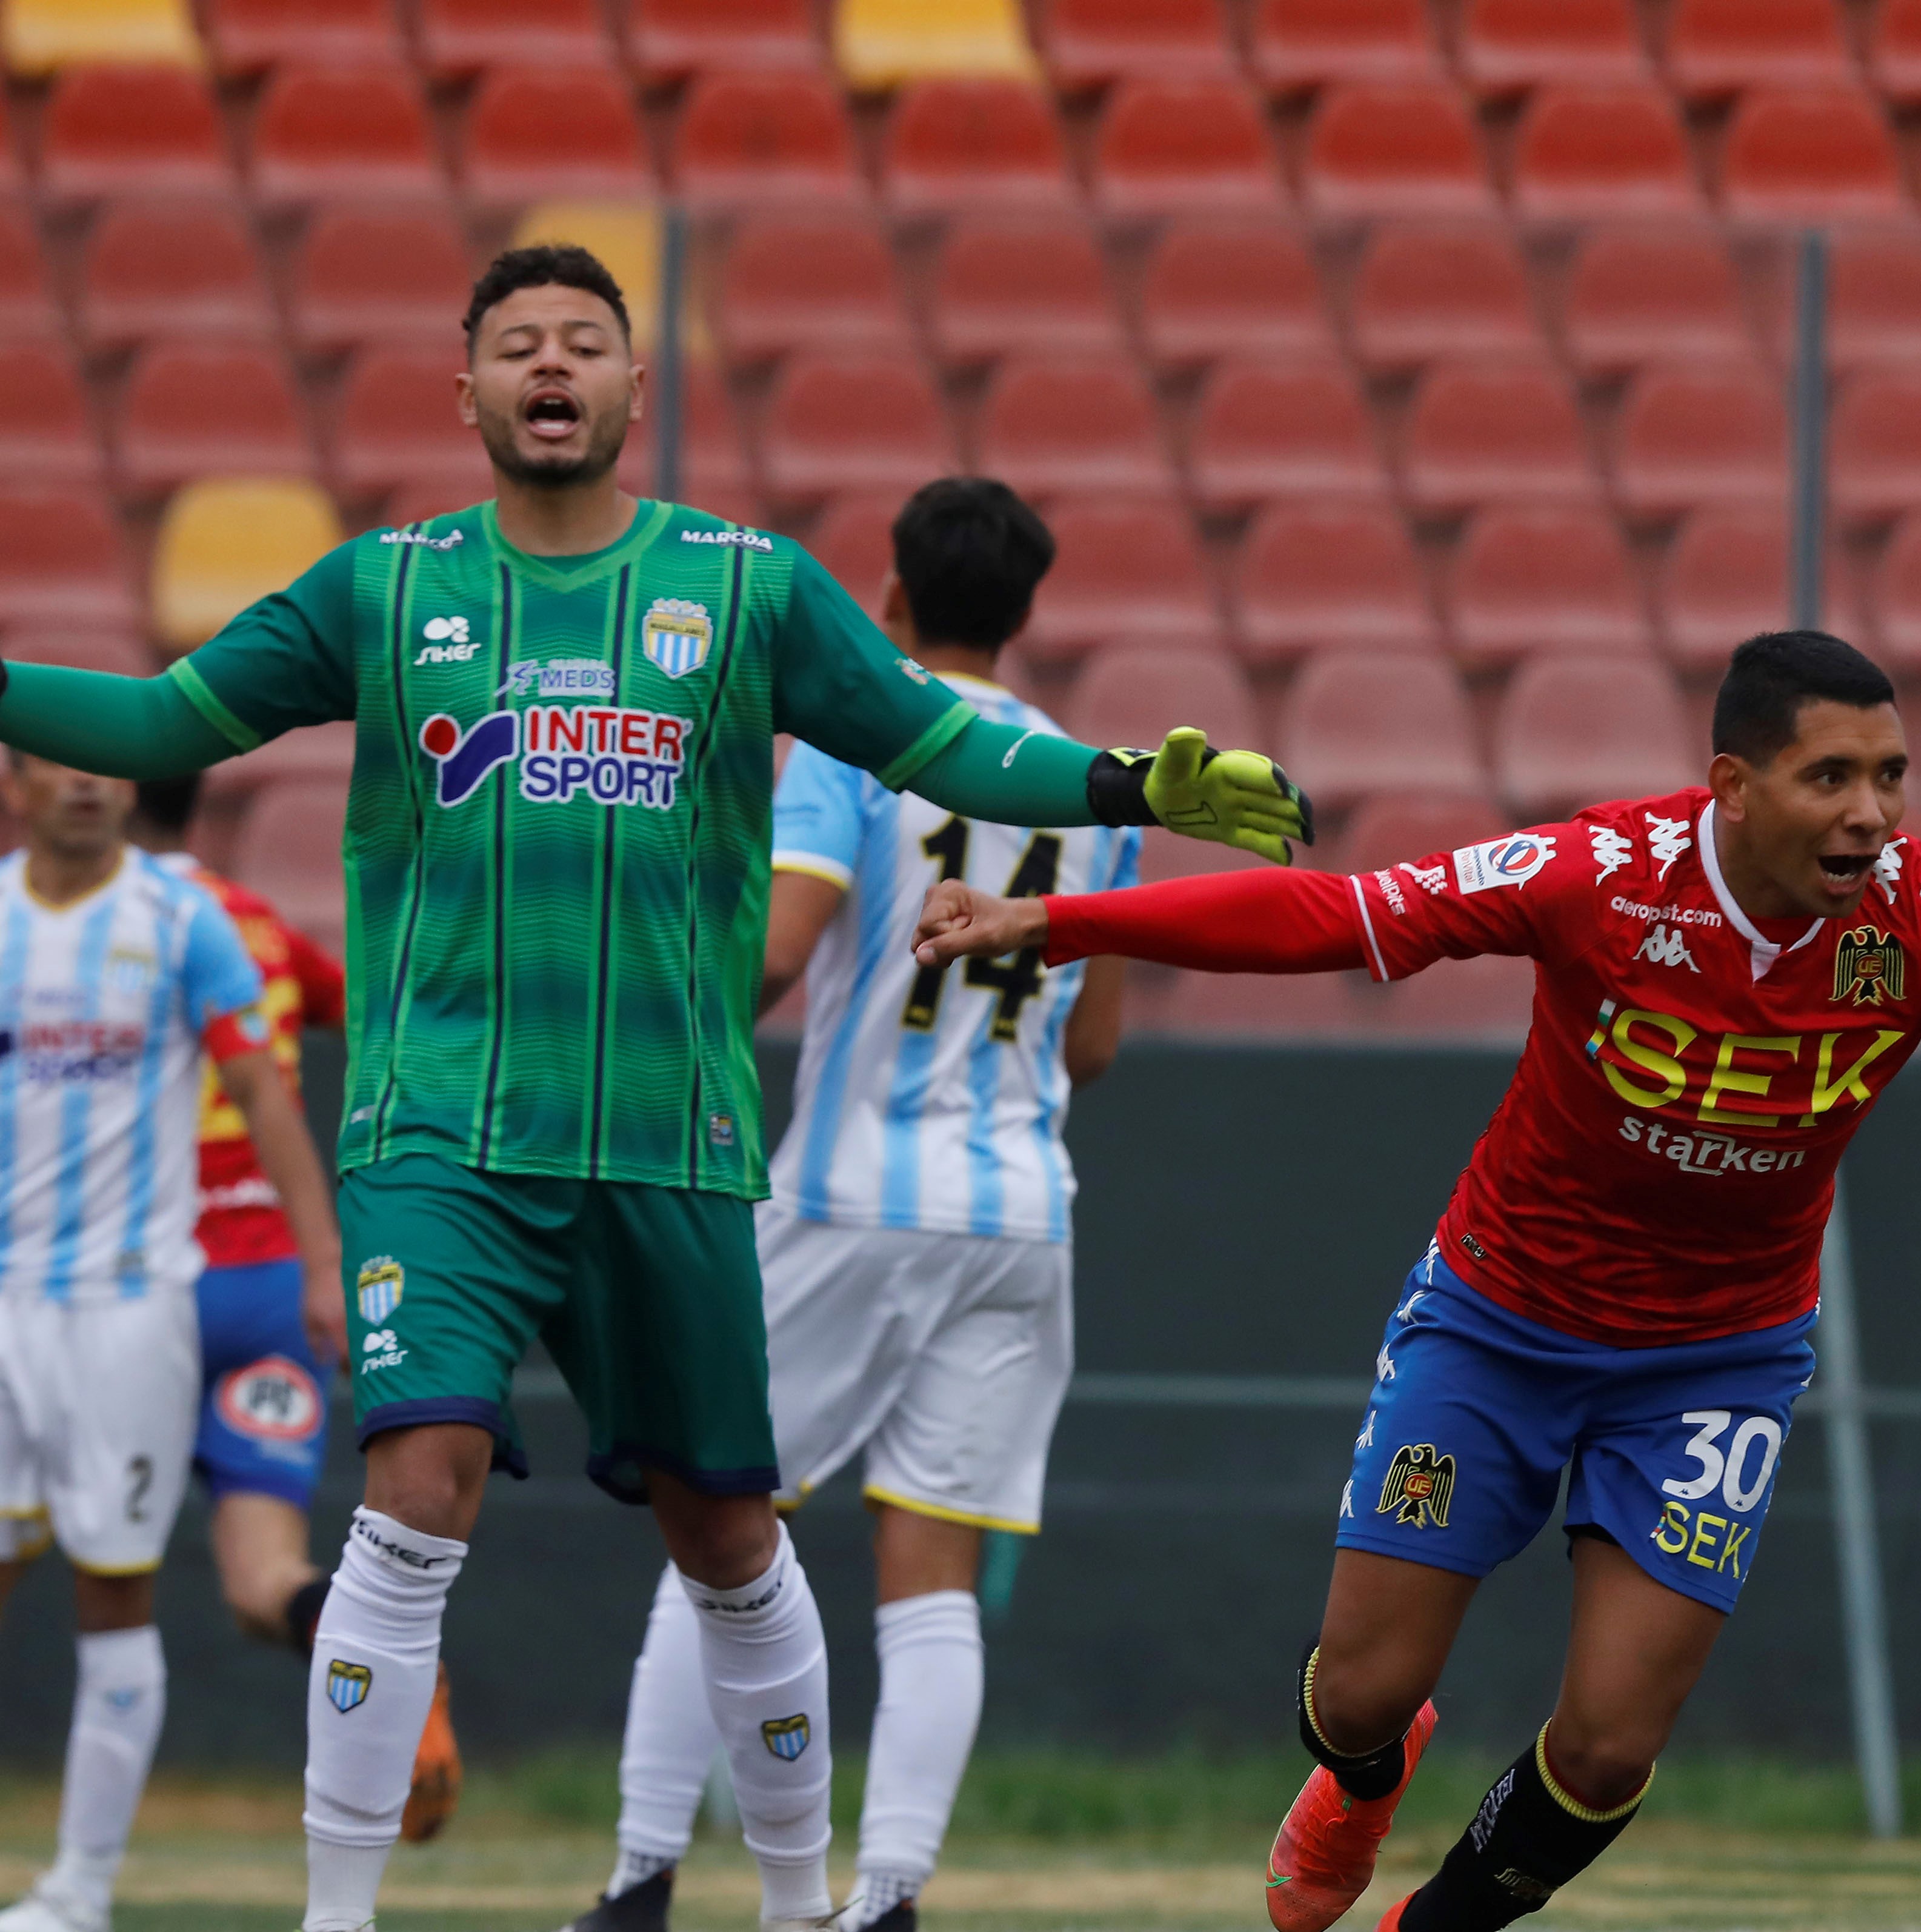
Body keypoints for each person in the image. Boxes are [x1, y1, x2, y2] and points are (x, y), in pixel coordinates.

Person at [0, 244, 1311, 1932]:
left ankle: (790, 1901)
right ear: (463, 388)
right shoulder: (382, 587)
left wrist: (1126, 777)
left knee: (729, 1533)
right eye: (520, 345)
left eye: (586, 344)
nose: (554, 366)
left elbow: (935, 736)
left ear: (633, 390)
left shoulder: (745, 587)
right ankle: (336, 1917)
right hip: (437, 1134)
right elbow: (160, 710)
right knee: (415, 1482)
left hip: (669, 1144)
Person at [911, 629, 1921, 1932]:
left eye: (1892, 775)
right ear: (1730, 784)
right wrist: (1050, 930)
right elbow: (1336, 915)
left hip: (1712, 1363)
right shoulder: (1598, 875)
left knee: (1613, 1741)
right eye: (1831, 776)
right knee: (1361, 1686)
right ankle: (1358, 1777)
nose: (1871, 813)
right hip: (1495, 1323)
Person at [578, 479, 1140, 1932]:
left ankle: (642, 1877)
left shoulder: (856, 748)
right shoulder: (1089, 779)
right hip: (1020, 1210)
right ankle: (884, 1900)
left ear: (885, 598)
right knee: (934, 1568)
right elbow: (1092, 1043)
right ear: (1023, 615)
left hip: (845, 1194)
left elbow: (777, 951)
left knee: (717, 1522)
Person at [0, 753, 342, 1932]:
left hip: (136, 1309)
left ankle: (80, 1889)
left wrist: (326, 1263)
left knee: (113, 1587)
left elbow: (263, 1093)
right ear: (13, 779)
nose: (90, 784)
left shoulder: (183, 919)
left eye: (109, 765)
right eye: (61, 761)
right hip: (2, 1304)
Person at [125, 776, 467, 1844]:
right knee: (262, 1580)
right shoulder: (259, 924)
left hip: (136, 1279)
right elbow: (370, 1019)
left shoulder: (99, 924)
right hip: (273, 1283)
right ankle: (398, 1687)